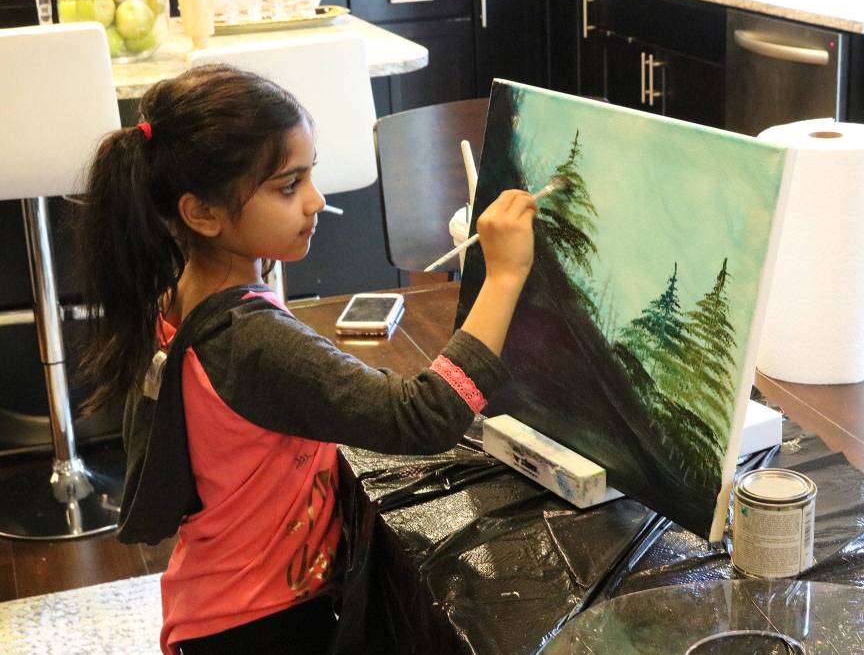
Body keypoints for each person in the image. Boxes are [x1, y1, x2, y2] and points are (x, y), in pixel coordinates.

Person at [76, 64, 537, 655]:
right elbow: (423, 417)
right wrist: (504, 275)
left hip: (220, 603)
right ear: (201, 213)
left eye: (309, 174)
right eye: (288, 186)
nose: (316, 201)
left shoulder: (181, 293)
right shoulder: (249, 340)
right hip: (259, 624)